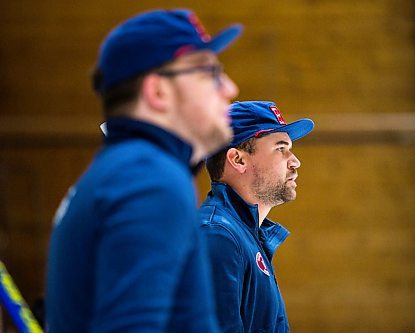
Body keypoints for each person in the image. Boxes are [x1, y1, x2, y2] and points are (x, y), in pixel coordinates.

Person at [45, 9, 242, 332]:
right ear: (158, 91)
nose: (229, 88)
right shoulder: (150, 180)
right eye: (210, 72)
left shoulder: (123, 172)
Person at [200, 101, 314, 332]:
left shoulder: (243, 235)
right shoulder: (217, 235)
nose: (295, 161)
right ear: (238, 160)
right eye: (281, 148)